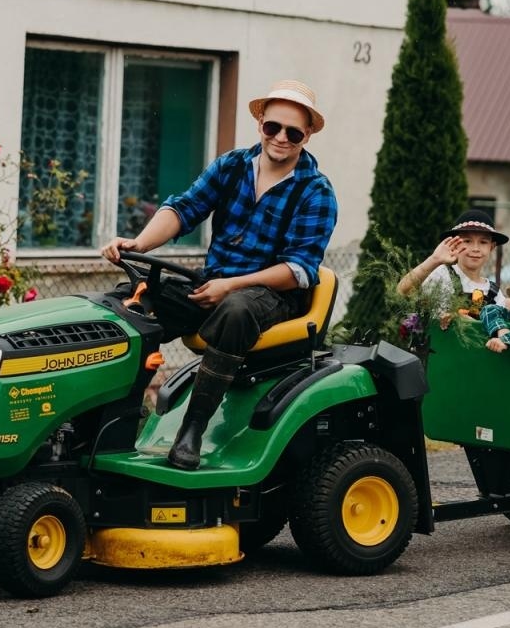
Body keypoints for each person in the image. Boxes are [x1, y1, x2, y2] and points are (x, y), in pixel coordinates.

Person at [102, 79, 338, 470]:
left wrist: (231, 285)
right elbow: (184, 209)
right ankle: (116, 418)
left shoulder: (316, 192)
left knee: (235, 310)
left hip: (271, 296)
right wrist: (139, 244)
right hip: (214, 282)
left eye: (293, 132)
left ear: (307, 135)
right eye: (273, 127)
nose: (281, 137)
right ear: (260, 121)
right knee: (132, 300)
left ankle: (192, 430)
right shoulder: (230, 166)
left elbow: (298, 270)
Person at [397, 209, 510, 309]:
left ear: (492, 247)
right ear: (455, 244)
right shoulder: (442, 275)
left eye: (483, 242)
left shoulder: (494, 292)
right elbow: (403, 291)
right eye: (467, 241)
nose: (476, 248)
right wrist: (434, 260)